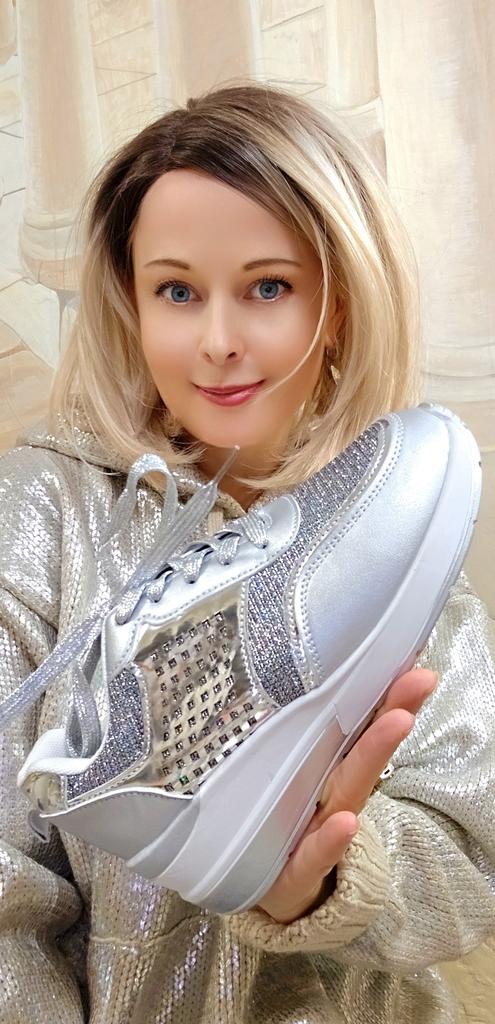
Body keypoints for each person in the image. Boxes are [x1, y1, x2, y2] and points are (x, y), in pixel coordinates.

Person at [0, 81, 494, 1024]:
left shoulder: (410, 542)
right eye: (176, 292)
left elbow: (473, 861)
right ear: (130, 302)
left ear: (338, 301)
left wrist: (327, 869)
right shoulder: (38, 512)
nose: (218, 342)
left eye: (268, 287)